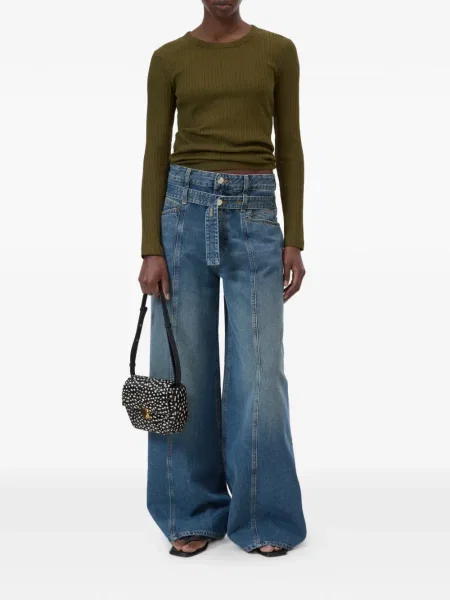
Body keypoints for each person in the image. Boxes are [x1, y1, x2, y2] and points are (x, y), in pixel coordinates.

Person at [138, 0, 307, 558]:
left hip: (255, 216)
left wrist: (294, 236)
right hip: (181, 216)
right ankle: (189, 510)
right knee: (180, 371)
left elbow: (290, 145)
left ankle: (265, 516)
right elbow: (154, 152)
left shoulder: (278, 51)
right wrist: (150, 247)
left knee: (259, 373)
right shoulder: (168, 58)